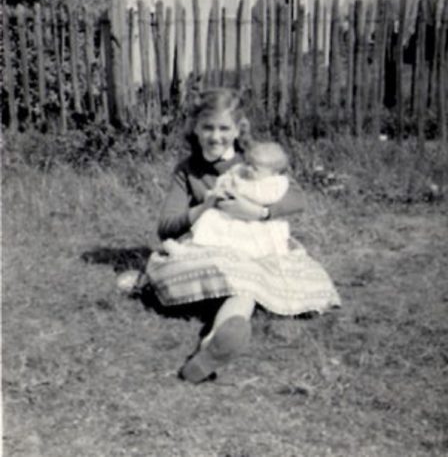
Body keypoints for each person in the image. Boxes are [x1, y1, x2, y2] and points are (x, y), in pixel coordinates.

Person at [119, 88, 340, 384]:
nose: (215, 136)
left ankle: (212, 345)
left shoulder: (252, 162)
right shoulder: (187, 171)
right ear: (195, 128)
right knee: (223, 275)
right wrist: (206, 204)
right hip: (206, 248)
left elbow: (296, 198)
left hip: (248, 252)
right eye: (207, 127)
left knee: (244, 285)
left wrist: (256, 212)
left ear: (238, 130)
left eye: (224, 128)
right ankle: (210, 330)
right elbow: (168, 226)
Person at [164, 140, 292, 259]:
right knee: (211, 218)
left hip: (253, 220)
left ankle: (227, 255)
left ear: (273, 173)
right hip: (231, 214)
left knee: (246, 242)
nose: (248, 169)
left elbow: (262, 196)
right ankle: (192, 249)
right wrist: (219, 189)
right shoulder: (241, 170)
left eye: (255, 169)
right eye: (248, 163)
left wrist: (239, 188)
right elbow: (226, 178)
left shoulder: (275, 183)